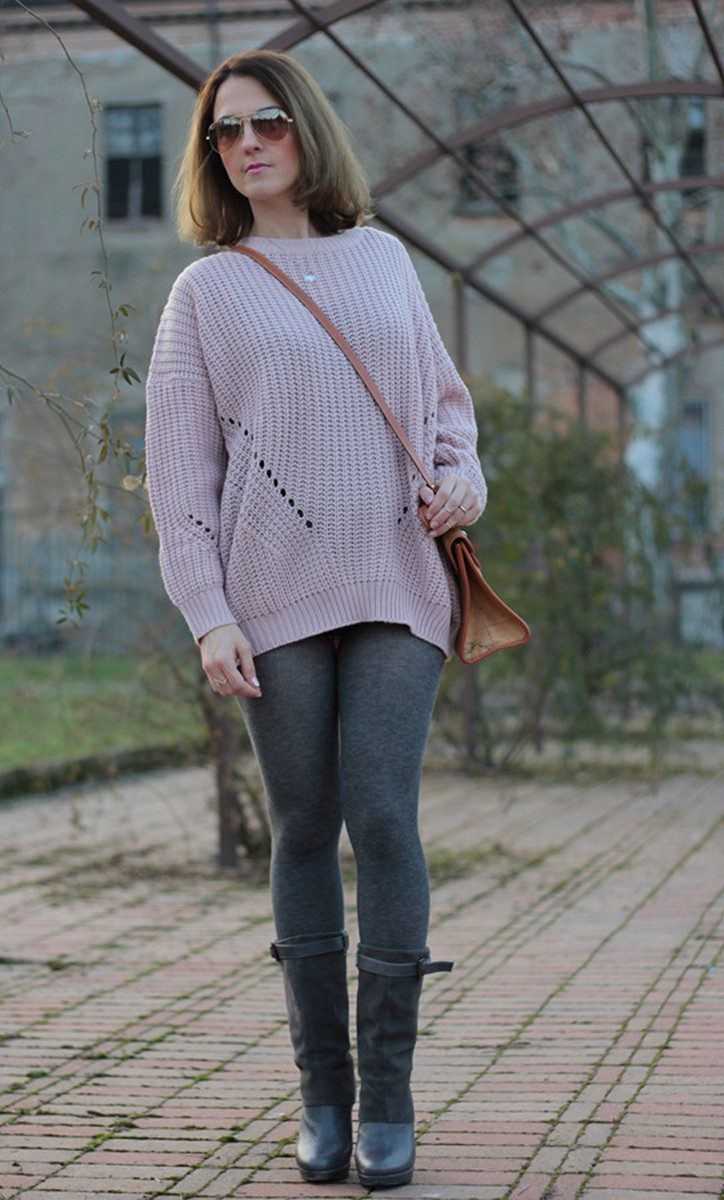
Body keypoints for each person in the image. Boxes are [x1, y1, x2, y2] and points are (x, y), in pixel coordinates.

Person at [144, 48, 487, 1190]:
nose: (247, 146)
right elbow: (177, 475)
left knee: (382, 811)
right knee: (301, 827)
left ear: (306, 135)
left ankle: (387, 1102)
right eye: (225, 133)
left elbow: (444, 407)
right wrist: (207, 614)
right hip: (271, 596)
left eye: (268, 125)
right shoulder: (205, 293)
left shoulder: (383, 260)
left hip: (396, 577)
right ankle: (323, 1101)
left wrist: (463, 482)